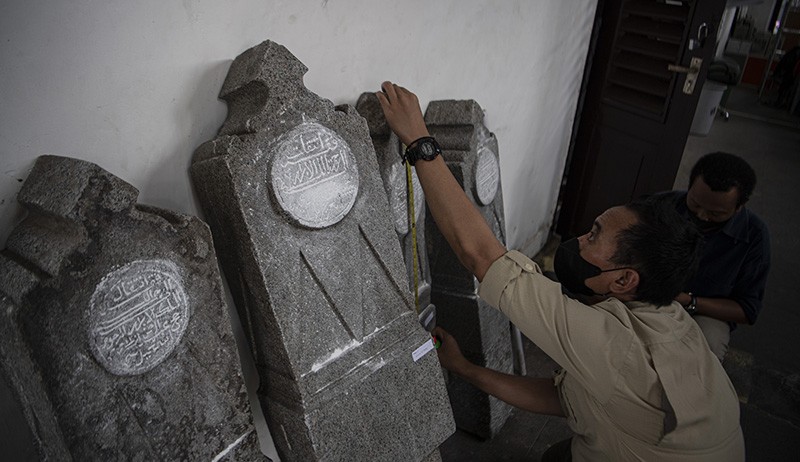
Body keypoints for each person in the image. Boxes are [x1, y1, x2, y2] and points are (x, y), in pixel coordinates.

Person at [376, 81, 744, 461]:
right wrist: (463, 368)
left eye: (595, 235)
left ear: (623, 279)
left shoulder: (616, 351)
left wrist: (419, 140)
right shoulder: (665, 319)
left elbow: (481, 256)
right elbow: (563, 398)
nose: (581, 239)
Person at [660, 152, 771, 361]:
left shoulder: (755, 236)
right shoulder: (663, 205)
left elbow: (748, 309)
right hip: (654, 296)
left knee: (705, 349)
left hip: (707, 313)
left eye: (716, 213)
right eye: (695, 203)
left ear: (739, 206)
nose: (701, 216)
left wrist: (690, 301)